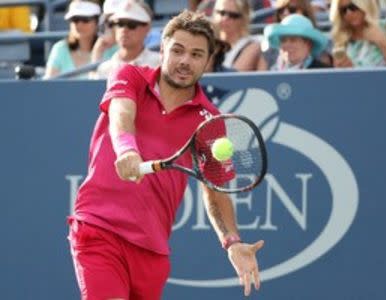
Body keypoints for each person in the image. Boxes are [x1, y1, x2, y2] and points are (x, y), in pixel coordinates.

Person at [68, 10, 264, 300]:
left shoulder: (209, 120)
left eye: (197, 54)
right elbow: (122, 113)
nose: (185, 61)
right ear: (162, 49)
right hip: (99, 229)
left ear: (208, 61)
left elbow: (216, 190)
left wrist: (232, 241)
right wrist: (126, 150)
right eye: (178, 50)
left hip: (153, 250)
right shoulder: (129, 75)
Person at [330, 0, 386, 68]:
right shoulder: (342, 37)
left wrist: (381, 41)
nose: (349, 13)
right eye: (343, 10)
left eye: (353, 7)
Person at [90, 0, 160, 79]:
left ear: (147, 28)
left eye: (132, 24)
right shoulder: (104, 69)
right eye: (119, 23)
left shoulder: (160, 65)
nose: (124, 29)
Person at [44, 0, 102, 79]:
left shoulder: (110, 48)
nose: (79, 24)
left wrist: (99, 50)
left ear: (97, 22)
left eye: (85, 19)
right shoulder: (60, 48)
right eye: (75, 19)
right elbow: (48, 86)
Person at [213, 0, 266, 71]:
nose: (225, 18)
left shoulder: (253, 46)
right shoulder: (208, 42)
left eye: (233, 15)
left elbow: (231, 78)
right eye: (221, 13)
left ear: (244, 18)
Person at [264, 14, 330, 70]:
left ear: (308, 45)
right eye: (283, 40)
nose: (287, 45)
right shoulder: (272, 71)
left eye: (293, 40)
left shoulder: (323, 72)